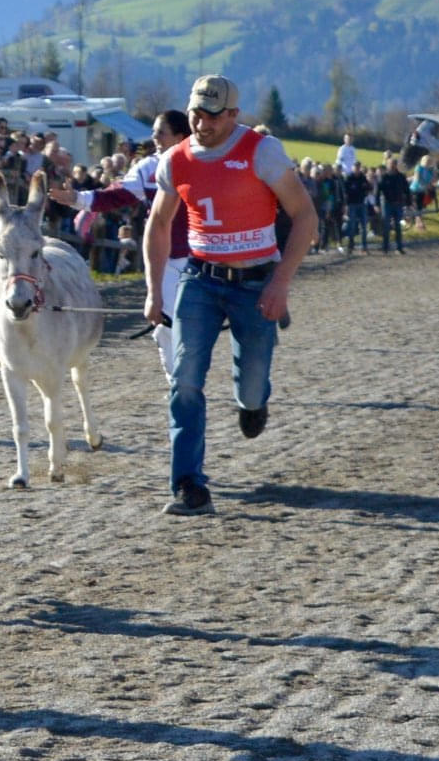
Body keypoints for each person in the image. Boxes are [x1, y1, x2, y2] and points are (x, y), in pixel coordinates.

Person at [144, 75, 314, 517]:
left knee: (253, 380)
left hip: (256, 280)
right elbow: (158, 225)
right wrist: (153, 289)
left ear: (233, 115)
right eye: (196, 114)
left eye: (212, 116)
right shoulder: (175, 160)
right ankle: (189, 485)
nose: (202, 124)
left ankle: (253, 402)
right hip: (200, 279)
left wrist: (281, 281)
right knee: (184, 379)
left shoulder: (262, 152)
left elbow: (305, 216)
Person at [49, 108, 192, 379]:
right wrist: (77, 199)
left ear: (179, 136)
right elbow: (116, 196)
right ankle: (179, 384)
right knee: (166, 326)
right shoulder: (148, 167)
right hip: (167, 258)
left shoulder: (202, 163)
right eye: (154, 132)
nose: (154, 137)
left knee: (191, 325)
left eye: (160, 132)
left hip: (203, 256)